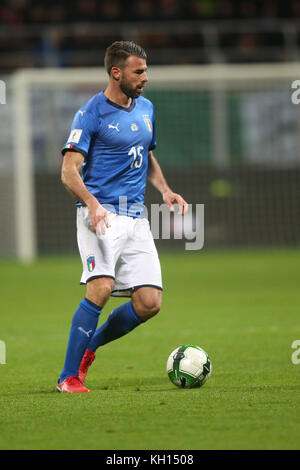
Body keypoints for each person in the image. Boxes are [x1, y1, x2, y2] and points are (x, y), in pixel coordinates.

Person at [56, 40, 187, 393]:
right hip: (99, 215)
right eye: (138, 71)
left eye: (145, 70)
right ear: (116, 73)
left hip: (136, 217)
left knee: (149, 303)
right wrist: (92, 203)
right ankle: (67, 378)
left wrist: (165, 190)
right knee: (101, 287)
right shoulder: (90, 113)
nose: (145, 77)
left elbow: (144, 155)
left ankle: (90, 348)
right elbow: (69, 171)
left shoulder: (146, 108)